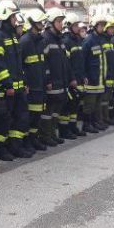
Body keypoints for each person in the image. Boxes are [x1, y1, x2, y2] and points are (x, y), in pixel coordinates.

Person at [0, 0, 30, 161]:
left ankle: (15, 147)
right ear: (6, 17)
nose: (15, 20)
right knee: (3, 120)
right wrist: (8, 84)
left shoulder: (12, 36)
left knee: (18, 118)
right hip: (6, 89)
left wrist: (23, 82)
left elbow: (18, 63)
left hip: (17, 87)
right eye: (13, 17)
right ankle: (1, 149)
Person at [42, 8, 74, 142]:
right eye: (59, 21)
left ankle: (52, 134)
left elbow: (65, 62)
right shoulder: (46, 39)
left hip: (61, 81)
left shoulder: (59, 40)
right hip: (52, 82)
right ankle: (45, 136)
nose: (61, 24)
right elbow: (44, 63)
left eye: (62, 21)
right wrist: (48, 79)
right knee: (48, 112)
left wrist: (70, 78)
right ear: (51, 23)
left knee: (56, 111)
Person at [20, 10, 50, 151]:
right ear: (32, 23)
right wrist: (25, 83)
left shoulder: (41, 41)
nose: (42, 25)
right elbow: (20, 66)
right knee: (29, 117)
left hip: (40, 85)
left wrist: (46, 80)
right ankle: (26, 142)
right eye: (39, 22)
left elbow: (43, 63)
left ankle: (33, 139)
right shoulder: (25, 41)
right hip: (30, 87)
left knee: (37, 115)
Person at [81, 14, 108, 133]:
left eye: (103, 26)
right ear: (95, 26)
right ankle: (86, 125)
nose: (102, 28)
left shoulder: (100, 40)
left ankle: (94, 123)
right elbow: (83, 61)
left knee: (97, 103)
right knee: (89, 104)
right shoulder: (89, 40)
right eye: (101, 26)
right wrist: (85, 76)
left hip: (99, 78)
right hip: (91, 79)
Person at [60, 12, 86, 137]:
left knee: (75, 104)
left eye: (78, 25)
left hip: (79, 78)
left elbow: (81, 61)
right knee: (68, 106)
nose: (78, 28)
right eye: (75, 25)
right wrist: (72, 78)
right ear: (69, 26)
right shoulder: (66, 42)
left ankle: (72, 126)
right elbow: (66, 64)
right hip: (71, 80)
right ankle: (64, 130)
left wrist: (83, 76)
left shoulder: (78, 41)